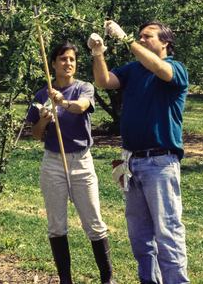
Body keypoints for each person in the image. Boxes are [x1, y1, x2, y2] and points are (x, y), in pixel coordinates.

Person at [88, 21, 190, 284]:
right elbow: (103, 81)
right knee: (140, 236)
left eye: (148, 36)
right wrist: (98, 53)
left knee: (167, 233)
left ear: (165, 42)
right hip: (132, 162)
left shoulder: (175, 69)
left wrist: (125, 40)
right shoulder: (133, 70)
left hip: (160, 162)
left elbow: (158, 68)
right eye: (139, 36)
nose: (142, 39)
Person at [26, 41, 116, 284]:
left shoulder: (83, 87)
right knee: (56, 226)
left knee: (94, 223)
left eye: (72, 60)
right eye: (63, 59)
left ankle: (107, 279)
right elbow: (35, 133)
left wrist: (62, 102)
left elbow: (82, 107)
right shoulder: (41, 95)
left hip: (81, 162)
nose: (68, 63)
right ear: (53, 63)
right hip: (53, 163)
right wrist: (45, 120)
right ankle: (65, 280)